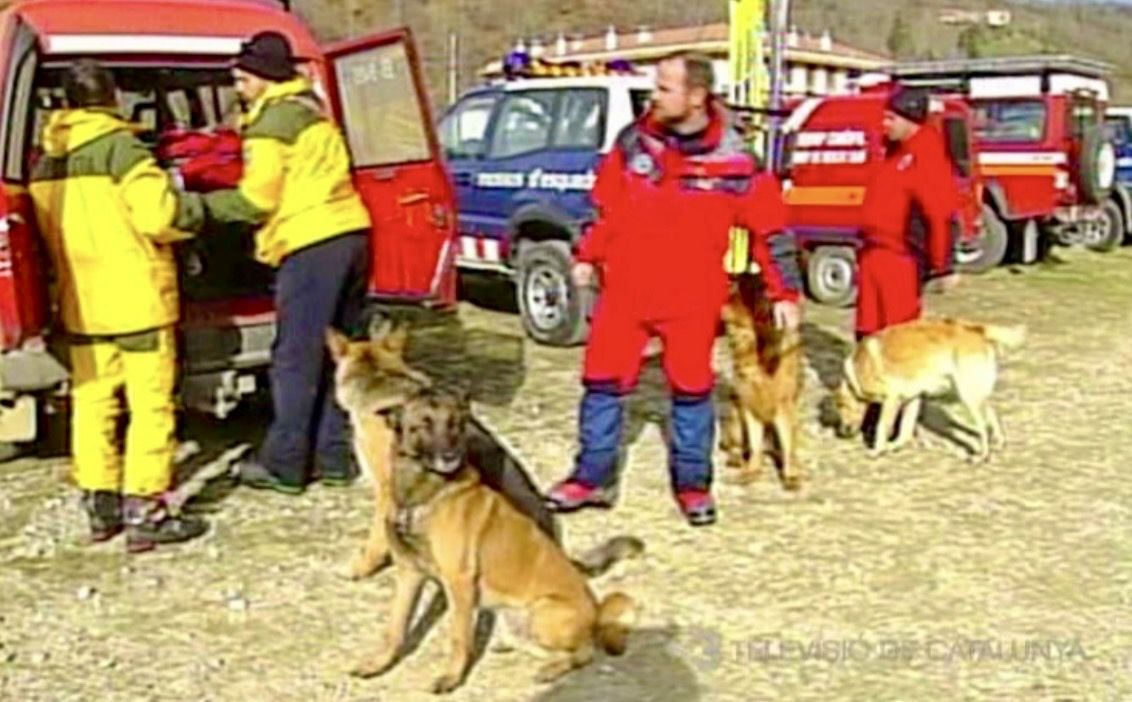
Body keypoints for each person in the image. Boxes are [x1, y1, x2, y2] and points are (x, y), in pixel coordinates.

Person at [543, 51, 802, 527]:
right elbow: (605, 209)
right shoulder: (633, 143)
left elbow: (772, 232)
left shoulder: (737, 159)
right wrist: (587, 256)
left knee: (690, 389)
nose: (653, 95)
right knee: (601, 385)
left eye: (664, 88)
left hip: (691, 298)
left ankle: (693, 485)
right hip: (624, 292)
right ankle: (592, 477)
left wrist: (784, 293)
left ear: (696, 96)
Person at [28, 60, 208, 552]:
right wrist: (194, 212)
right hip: (138, 302)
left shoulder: (45, 162)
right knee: (151, 407)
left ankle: (100, 505)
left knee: (92, 403)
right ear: (111, 98)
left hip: (81, 304)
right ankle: (146, 510)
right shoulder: (123, 150)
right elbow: (159, 217)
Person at [192, 32, 372, 494]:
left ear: (261, 77)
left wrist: (196, 207)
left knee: (295, 357)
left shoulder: (272, 123)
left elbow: (256, 199)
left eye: (240, 78)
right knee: (341, 351)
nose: (237, 87)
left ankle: (285, 464)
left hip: (311, 241)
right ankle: (334, 457)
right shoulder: (311, 106)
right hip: (351, 233)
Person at [855, 85, 960, 341]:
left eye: (891, 118)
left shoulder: (926, 155)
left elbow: (940, 214)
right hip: (873, 253)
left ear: (910, 119)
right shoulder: (893, 153)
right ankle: (868, 379)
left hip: (901, 259)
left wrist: (943, 266)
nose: (884, 123)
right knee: (867, 333)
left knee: (898, 338)